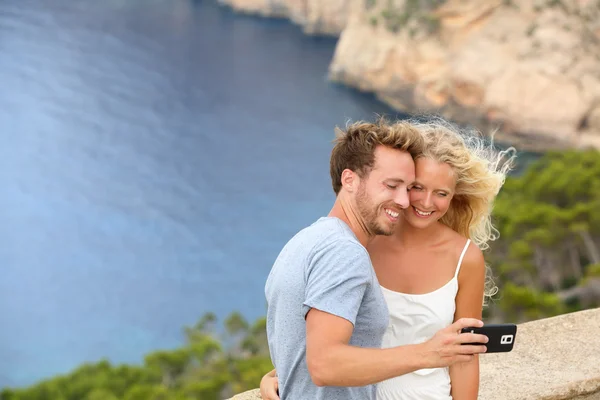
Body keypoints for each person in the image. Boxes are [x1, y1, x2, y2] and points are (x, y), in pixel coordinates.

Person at [263, 117, 490, 400]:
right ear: (350, 180)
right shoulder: (352, 248)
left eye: (441, 193)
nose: (414, 201)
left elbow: (463, 355)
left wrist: (289, 375)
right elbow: (322, 359)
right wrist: (283, 374)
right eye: (410, 187)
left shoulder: (315, 239)